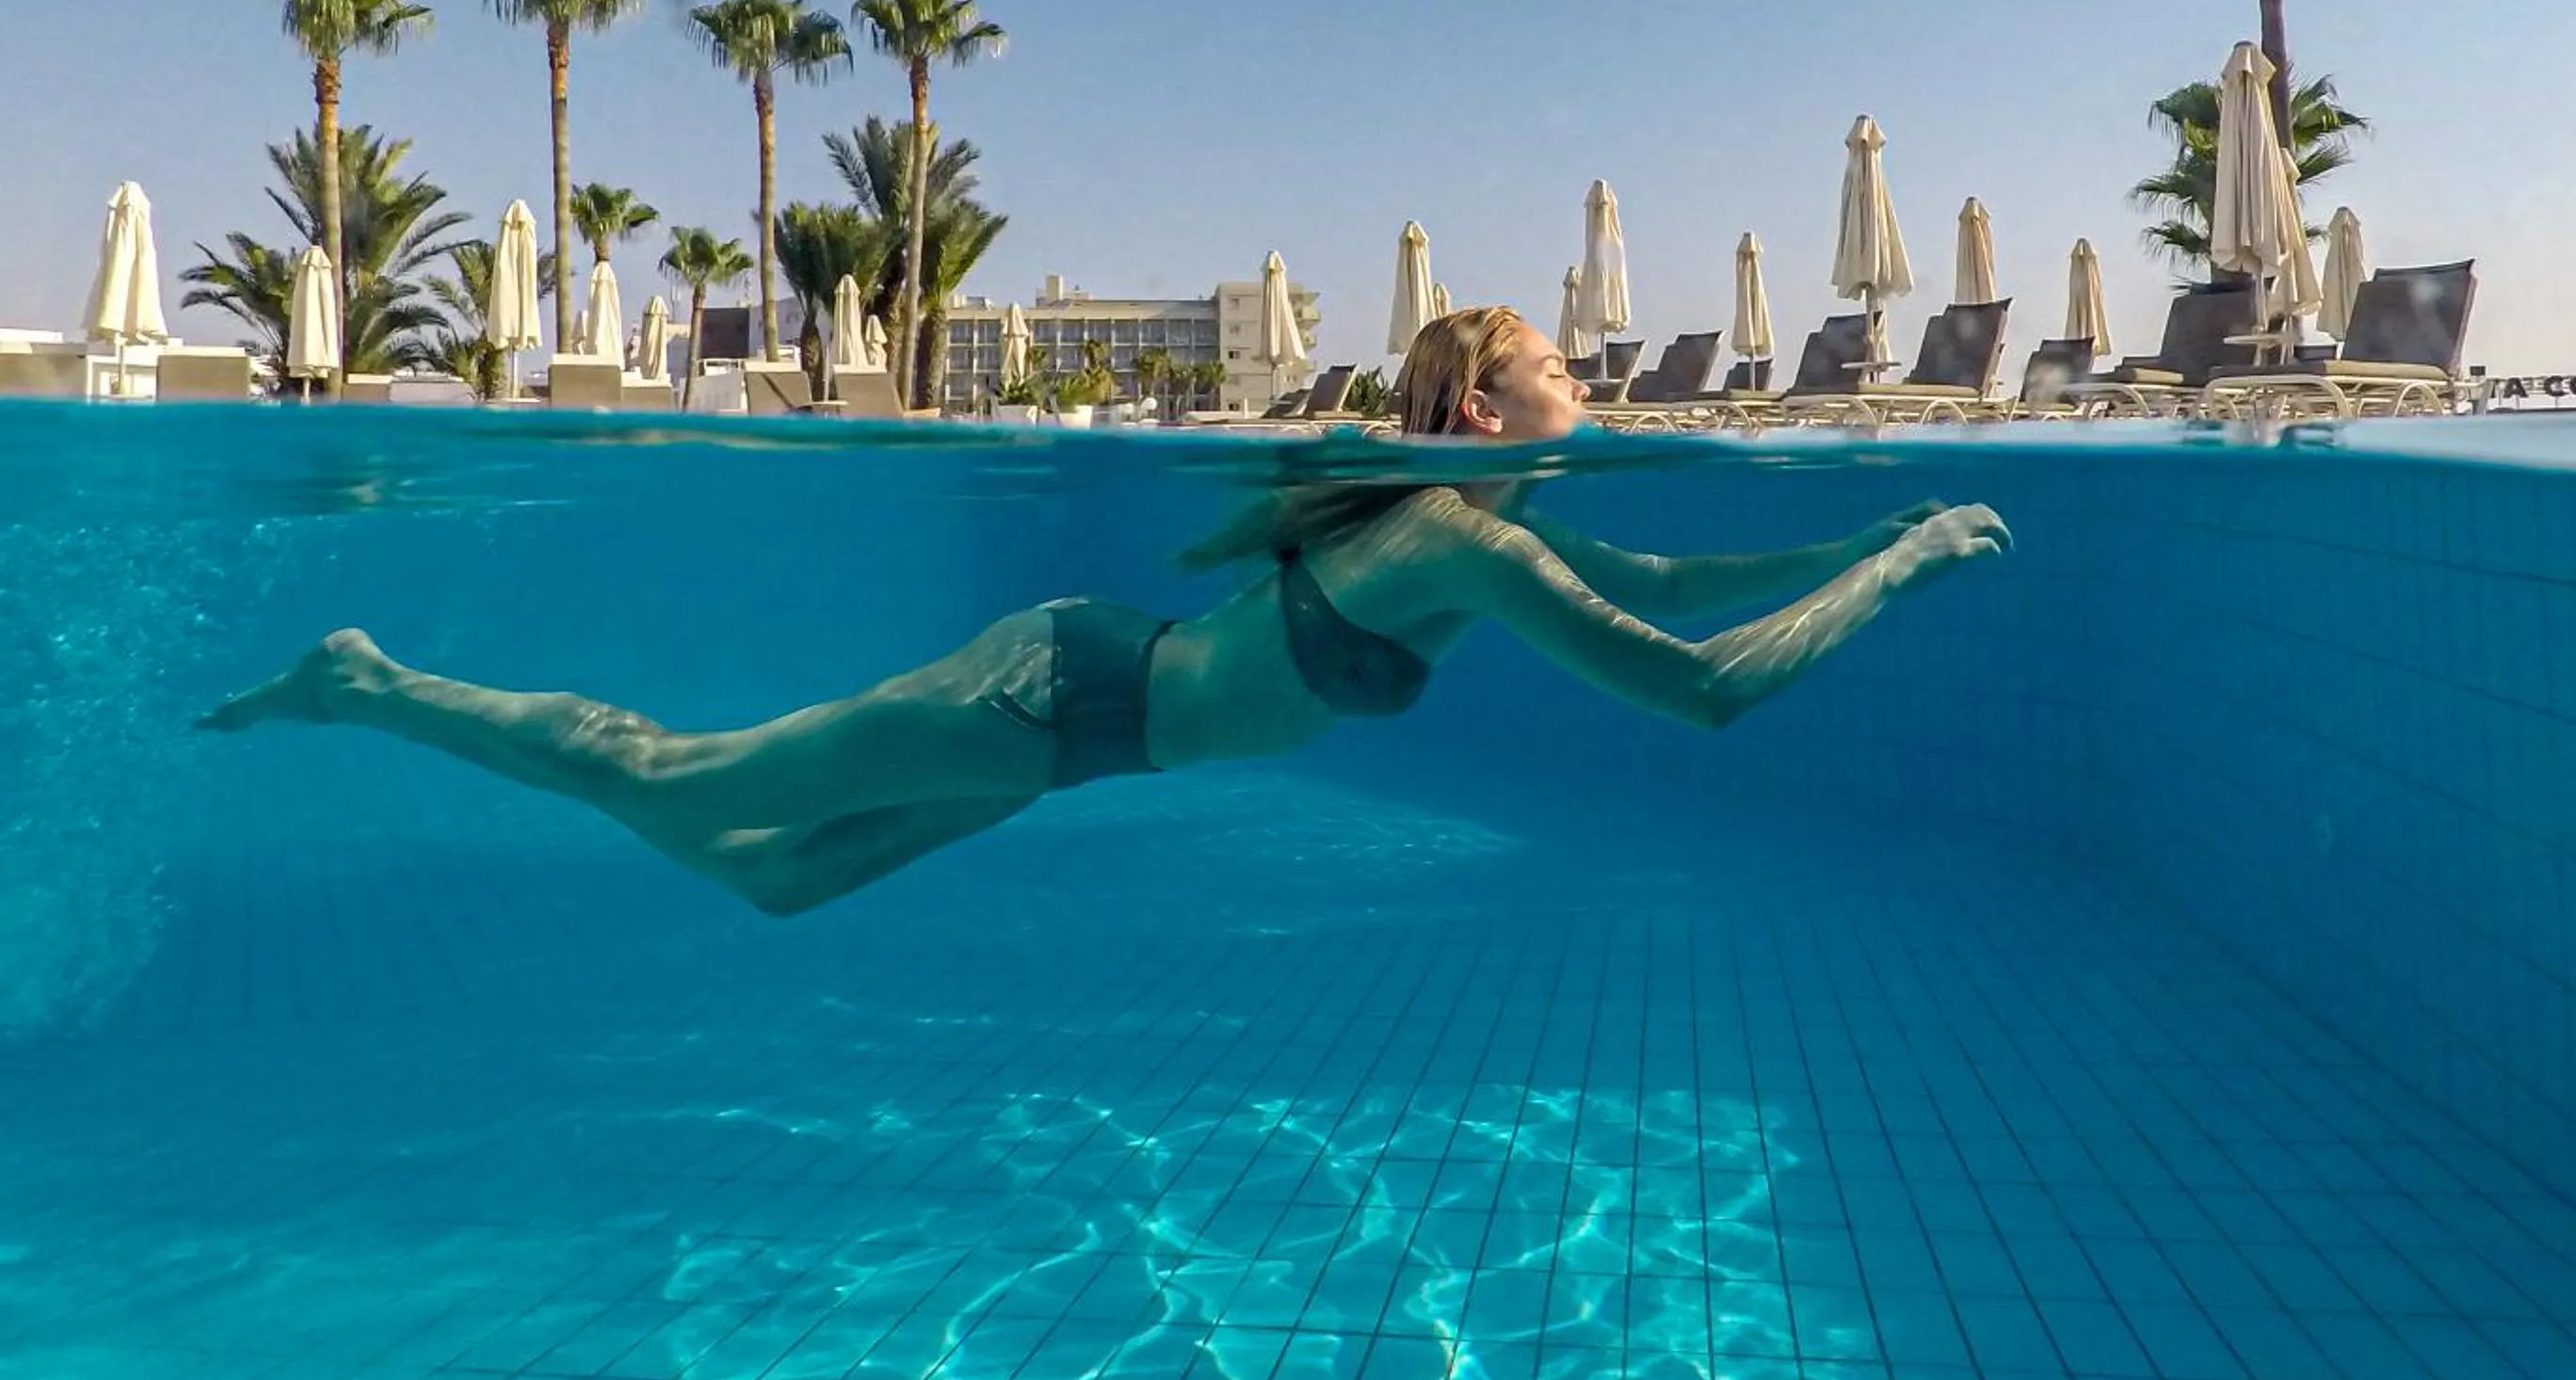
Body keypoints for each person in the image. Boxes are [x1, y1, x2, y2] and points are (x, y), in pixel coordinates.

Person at [204, 305, 2010, 916]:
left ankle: (382, 685)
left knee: (775, 873)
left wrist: (1884, 524)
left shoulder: (1489, 528)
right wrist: (1902, 571)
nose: (1583, 384)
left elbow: (1675, 581)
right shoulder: (1463, 538)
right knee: (690, 784)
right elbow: (1699, 688)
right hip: (1049, 688)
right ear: (1477, 411)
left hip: (1083, 740)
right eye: (1556, 365)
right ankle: (371, 677)